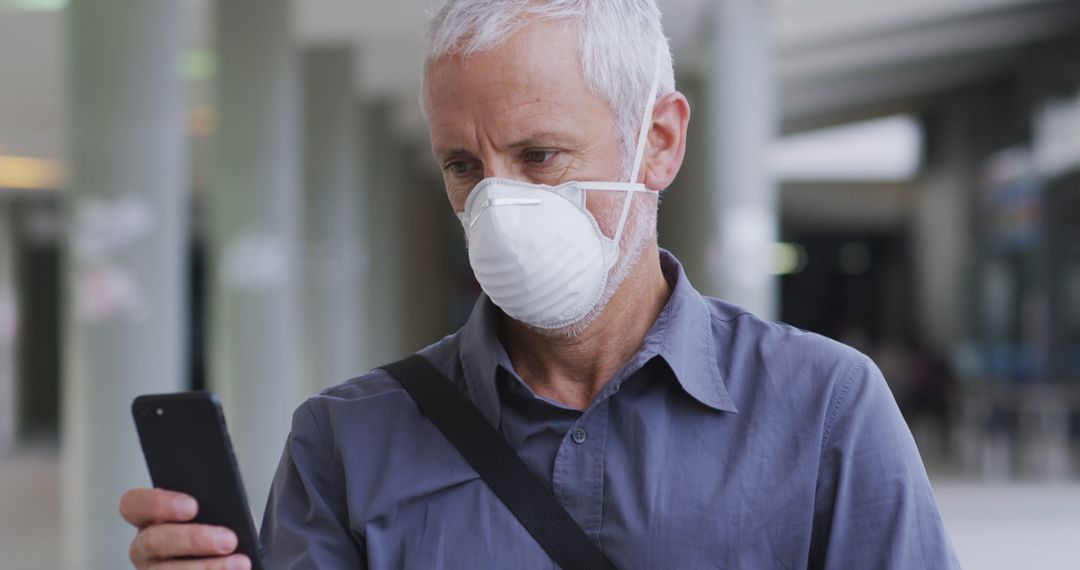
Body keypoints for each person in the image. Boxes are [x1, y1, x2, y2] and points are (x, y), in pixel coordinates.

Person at [120, 1, 960, 568]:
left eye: (539, 157)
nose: (499, 204)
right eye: (463, 165)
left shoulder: (822, 411)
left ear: (658, 143)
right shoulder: (345, 440)